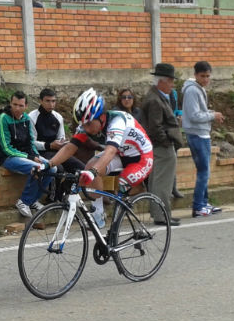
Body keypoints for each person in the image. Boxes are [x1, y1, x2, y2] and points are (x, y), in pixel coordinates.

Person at [36, 88, 154, 229]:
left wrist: (93, 172)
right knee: (91, 165)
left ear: (102, 117)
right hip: (121, 154)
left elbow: (110, 151)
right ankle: (98, 217)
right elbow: (70, 147)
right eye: (83, 124)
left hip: (141, 158)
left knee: (119, 182)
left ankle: (118, 228)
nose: (86, 128)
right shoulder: (88, 123)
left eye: (89, 124)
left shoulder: (117, 122)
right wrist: (48, 164)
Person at [0, 91, 55, 218]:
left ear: (26, 106)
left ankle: (33, 200)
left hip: (26, 155)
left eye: (21, 105)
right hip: (9, 157)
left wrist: (35, 156)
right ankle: (24, 201)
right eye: (14, 104)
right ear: (10, 103)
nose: (17, 108)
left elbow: (30, 143)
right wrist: (31, 158)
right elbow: (6, 148)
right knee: (36, 168)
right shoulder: (3, 119)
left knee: (52, 168)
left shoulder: (26, 119)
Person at [141, 63, 183, 226]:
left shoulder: (155, 96)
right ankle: (161, 215)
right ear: (162, 81)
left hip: (159, 145)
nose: (172, 85)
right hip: (161, 146)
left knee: (157, 181)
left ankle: (159, 213)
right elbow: (155, 127)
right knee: (162, 183)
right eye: (171, 81)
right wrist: (166, 142)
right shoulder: (155, 100)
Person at [182, 61, 224, 217]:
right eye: (202, 76)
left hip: (201, 133)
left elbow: (200, 111)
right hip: (198, 134)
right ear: (195, 75)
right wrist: (212, 115)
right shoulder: (192, 90)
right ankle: (199, 205)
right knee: (203, 172)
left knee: (204, 171)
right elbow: (194, 115)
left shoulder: (198, 89)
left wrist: (213, 114)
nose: (206, 79)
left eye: (208, 76)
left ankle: (204, 203)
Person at [29, 88, 85, 201]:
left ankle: (65, 191)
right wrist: (49, 145)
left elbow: (61, 137)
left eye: (53, 101)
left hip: (57, 150)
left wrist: (63, 143)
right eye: (48, 101)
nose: (51, 104)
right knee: (58, 168)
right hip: (40, 152)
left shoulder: (58, 117)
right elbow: (31, 142)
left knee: (81, 168)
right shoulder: (32, 117)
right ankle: (52, 198)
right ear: (41, 101)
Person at [169, 88, 184, 199]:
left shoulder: (173, 92)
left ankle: (173, 187)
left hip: (173, 129)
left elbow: (176, 109)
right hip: (164, 131)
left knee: (173, 160)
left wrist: (180, 114)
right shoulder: (156, 95)